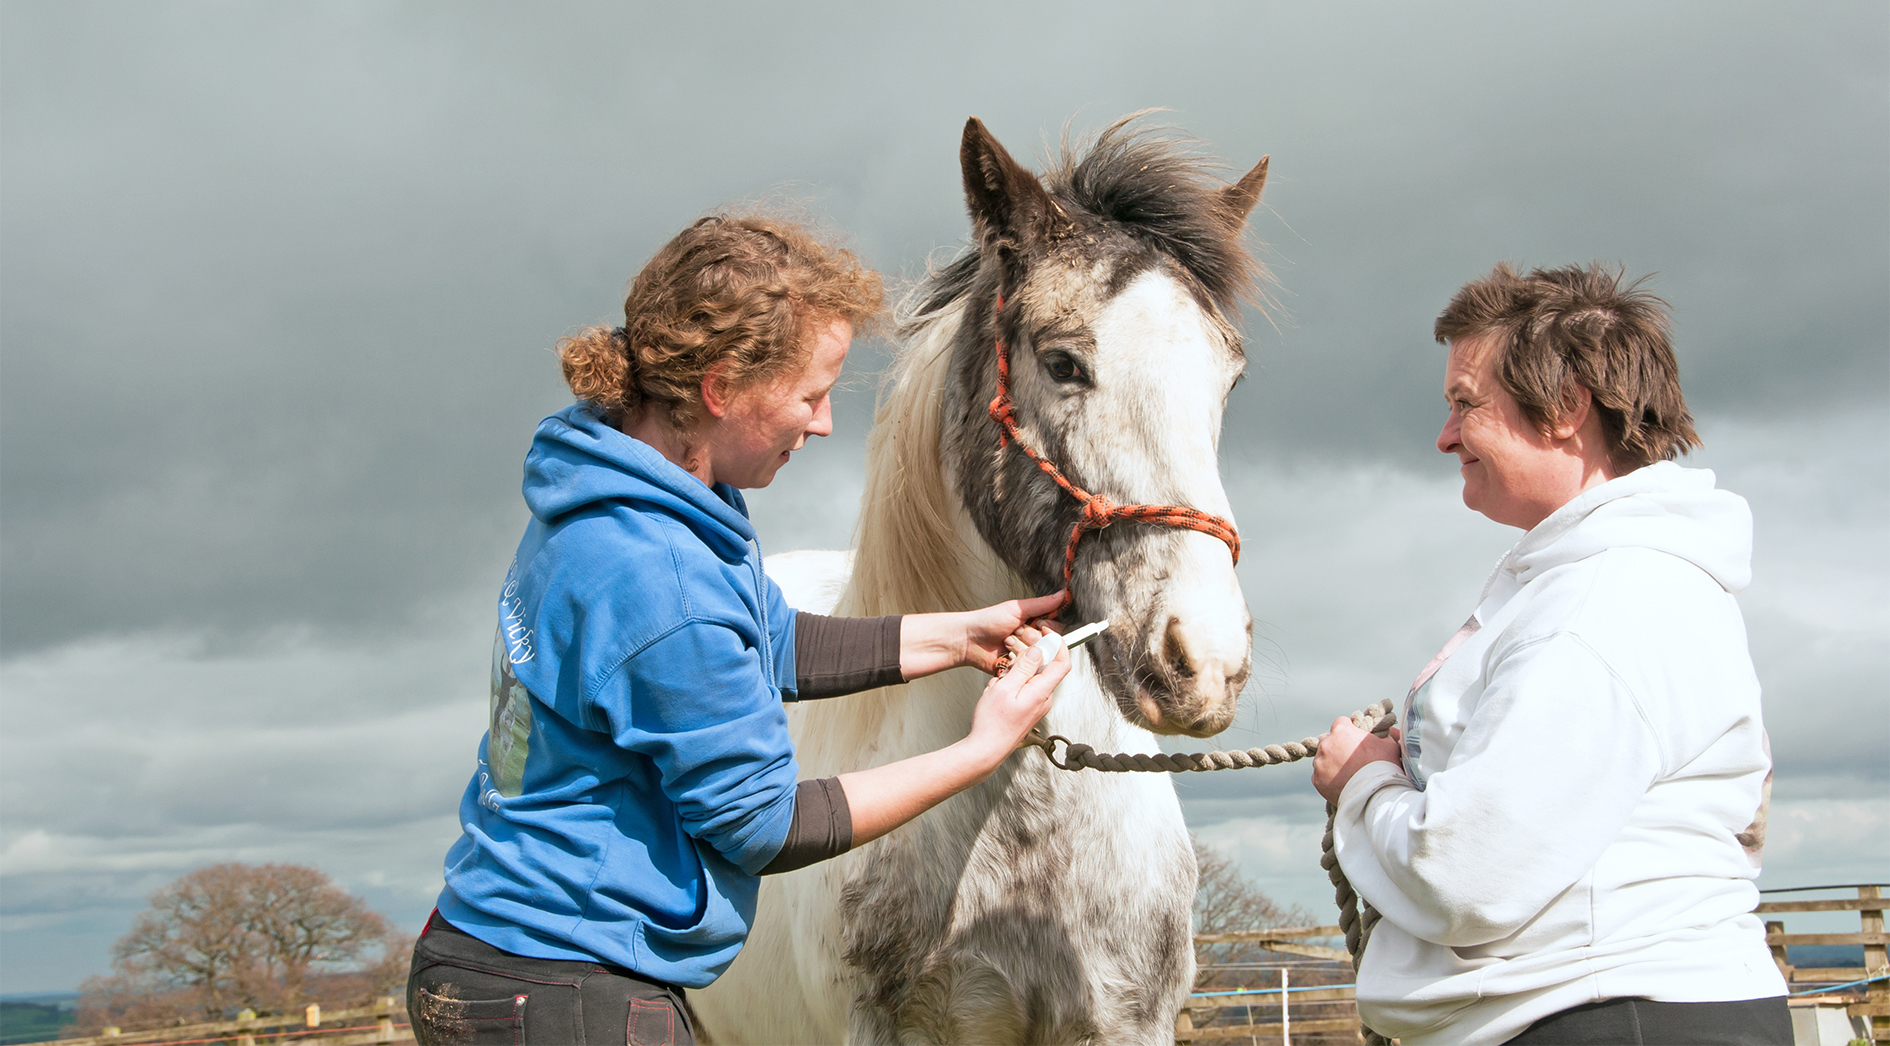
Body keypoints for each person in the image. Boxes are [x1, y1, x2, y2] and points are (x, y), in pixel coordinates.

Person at [407, 213, 1071, 1046]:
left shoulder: (613, 490)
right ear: (721, 388)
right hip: (563, 993)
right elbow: (762, 824)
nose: (824, 423)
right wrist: (981, 750)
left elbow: (767, 642)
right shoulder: (659, 576)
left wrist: (957, 636)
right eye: (811, 393)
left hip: (499, 951)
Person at [1310, 263, 1789, 1045]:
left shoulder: (1601, 607)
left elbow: (1466, 876)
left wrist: (1363, 780)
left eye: (1466, 404)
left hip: (1609, 1017)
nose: (1444, 436)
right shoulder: (1601, 583)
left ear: (1566, 408)